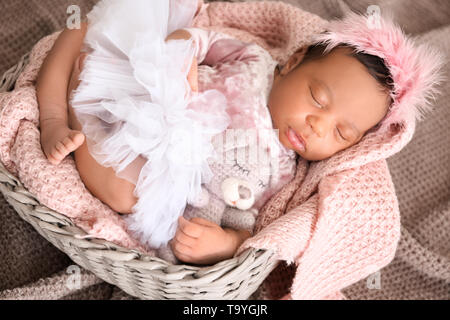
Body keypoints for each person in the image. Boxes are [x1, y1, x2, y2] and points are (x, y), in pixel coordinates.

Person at [36, 0, 443, 265]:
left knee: (124, 194)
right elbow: (201, 38)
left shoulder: (283, 172)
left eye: (341, 133)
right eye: (318, 98)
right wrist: (182, 55)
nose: (318, 126)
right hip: (151, 97)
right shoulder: (255, 60)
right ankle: (57, 109)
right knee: (90, 34)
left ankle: (74, 106)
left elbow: (249, 227)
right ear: (294, 61)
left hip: (157, 168)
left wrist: (225, 245)